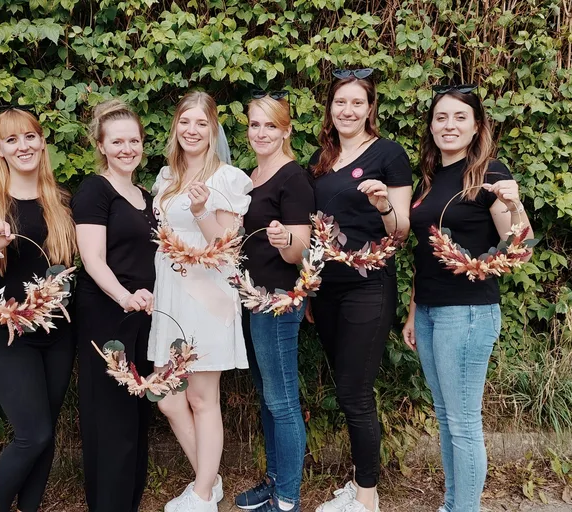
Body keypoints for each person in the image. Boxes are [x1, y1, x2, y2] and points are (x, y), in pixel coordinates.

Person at [403, 85, 534, 512]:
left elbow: (520, 243)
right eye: (441, 117)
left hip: (469, 313)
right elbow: (425, 252)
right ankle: (453, 504)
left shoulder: (490, 174)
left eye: (459, 117)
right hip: (429, 312)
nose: (449, 125)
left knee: (462, 423)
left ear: (477, 125)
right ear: (431, 125)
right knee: (446, 419)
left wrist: (514, 206)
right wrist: (412, 312)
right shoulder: (432, 177)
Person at [0, 109, 78, 512]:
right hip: (5, 333)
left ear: (42, 142)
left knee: (47, 435)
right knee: (34, 434)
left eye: (30, 136)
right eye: (11, 140)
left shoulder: (62, 201)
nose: (23, 146)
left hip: (56, 334)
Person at [309, 69, 412, 512]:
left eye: (357, 103)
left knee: (355, 391)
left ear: (370, 108)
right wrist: (311, 290)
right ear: (330, 109)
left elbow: (401, 231)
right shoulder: (320, 157)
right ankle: (358, 485)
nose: (347, 110)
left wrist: (384, 204)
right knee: (345, 386)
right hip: (326, 290)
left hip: (368, 286)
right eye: (339, 102)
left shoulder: (388, 154)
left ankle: (367, 497)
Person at [150, 91, 252, 512]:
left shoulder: (227, 178)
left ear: (213, 130)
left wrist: (200, 211)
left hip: (208, 294)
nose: (192, 131)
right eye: (185, 122)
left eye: (201, 124)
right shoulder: (165, 177)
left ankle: (204, 494)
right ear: (176, 127)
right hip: (171, 295)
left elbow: (225, 247)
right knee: (168, 396)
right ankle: (209, 478)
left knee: (201, 398)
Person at [73, 99, 157, 512]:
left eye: (134, 140)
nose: (127, 148)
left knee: (138, 415)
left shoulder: (147, 196)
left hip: (145, 315)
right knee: (110, 417)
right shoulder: (95, 189)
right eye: (118, 141)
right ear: (102, 146)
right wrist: (124, 297)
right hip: (108, 312)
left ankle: (129, 501)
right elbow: (92, 259)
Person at [234, 92, 315, 512]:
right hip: (253, 299)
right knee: (268, 396)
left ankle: (287, 500)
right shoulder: (252, 175)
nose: (261, 133)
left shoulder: (292, 177)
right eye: (254, 124)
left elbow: (300, 251)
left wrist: (286, 242)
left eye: (270, 125)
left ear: (286, 130)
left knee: (281, 400)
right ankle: (276, 480)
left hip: (279, 301)